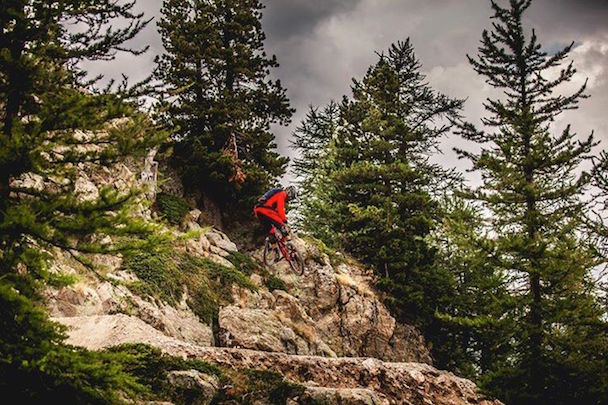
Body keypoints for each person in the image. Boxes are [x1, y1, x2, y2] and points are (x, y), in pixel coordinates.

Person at [253, 186, 297, 251]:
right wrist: (285, 222)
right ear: (290, 194)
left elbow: (275, 210)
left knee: (271, 231)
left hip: (258, 210)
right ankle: (290, 243)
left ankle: (275, 251)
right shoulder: (282, 193)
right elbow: (280, 209)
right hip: (265, 209)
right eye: (291, 198)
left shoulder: (276, 193)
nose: (290, 200)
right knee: (281, 225)